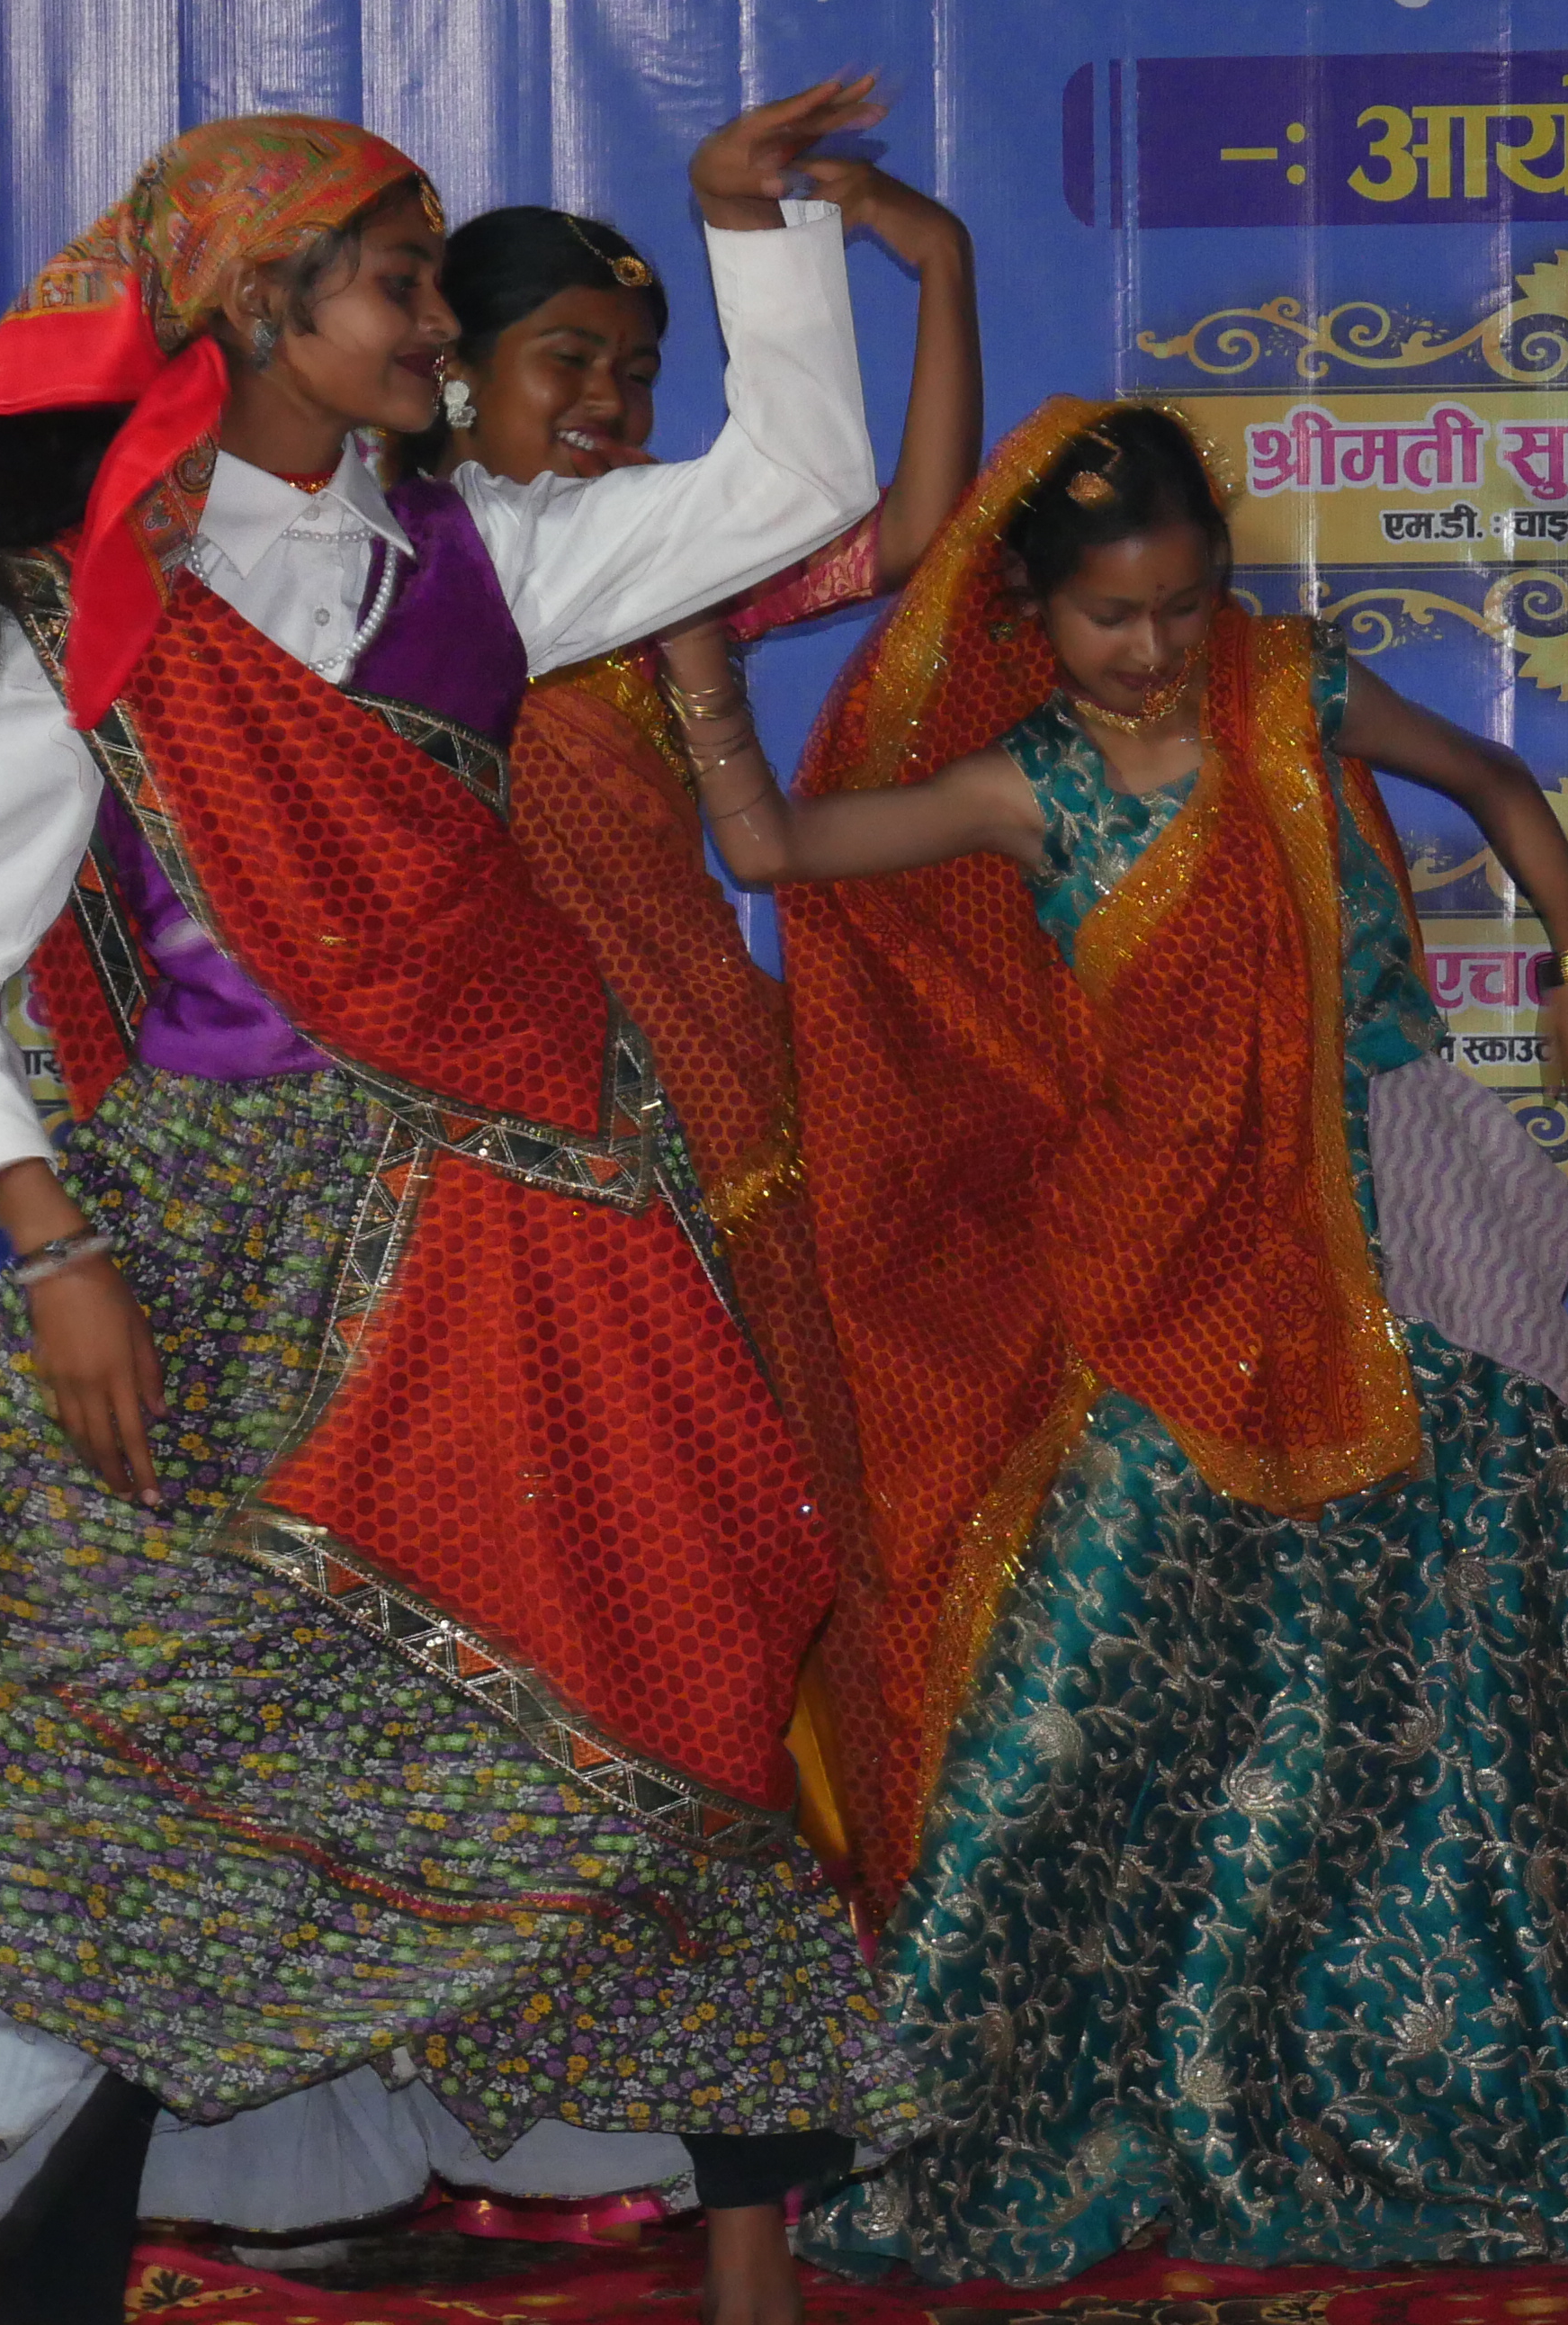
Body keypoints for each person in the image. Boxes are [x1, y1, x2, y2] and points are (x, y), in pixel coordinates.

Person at [0, 94, 919, 2325]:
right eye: (400, 282)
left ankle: (747, 2271)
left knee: (650, 1707)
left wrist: (744, 229)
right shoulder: (93, 606)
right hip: (205, 1277)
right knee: (131, 1801)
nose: (436, 323)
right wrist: (54, 1250)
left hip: (520, 1248)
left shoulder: (487, 556)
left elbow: (801, 487)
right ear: (262, 306)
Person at [690, 398, 1568, 2282]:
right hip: (1171, 1266)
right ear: (1036, 609)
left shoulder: (1292, 689)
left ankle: (1444, 2068)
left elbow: (1499, 781)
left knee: (1478, 1657)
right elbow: (773, 850)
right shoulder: (1026, 786)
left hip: (1402, 1217)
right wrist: (694, 650)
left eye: (1184, 604)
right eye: (1111, 615)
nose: (1155, 647)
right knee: (1088, 1681)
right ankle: (1032, 2104)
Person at [406, 166, 981, 1934]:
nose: (609, 399)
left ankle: (804, 1945)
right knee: (566, 1545)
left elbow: (899, 532)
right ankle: (579, 1969)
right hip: (520, 1148)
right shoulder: (390, 580)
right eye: (567, 358)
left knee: (776, 1529)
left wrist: (941, 270)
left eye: (639, 370)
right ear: (451, 367)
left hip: (721, 1118)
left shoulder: (659, 562)